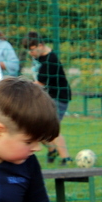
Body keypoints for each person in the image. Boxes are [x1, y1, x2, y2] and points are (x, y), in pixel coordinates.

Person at [25, 33, 72, 163]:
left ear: (40, 45)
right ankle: (52, 150)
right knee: (35, 128)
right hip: (46, 98)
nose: (30, 53)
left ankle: (66, 158)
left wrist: (21, 85)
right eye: (28, 50)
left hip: (58, 97)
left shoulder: (50, 61)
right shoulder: (41, 57)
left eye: (32, 49)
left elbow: (39, 85)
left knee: (52, 127)